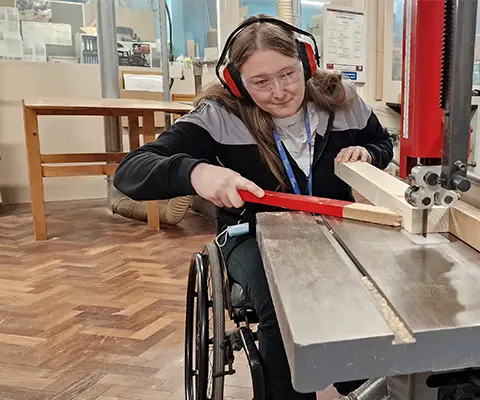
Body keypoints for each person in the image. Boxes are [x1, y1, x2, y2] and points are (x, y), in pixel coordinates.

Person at [113, 15, 394, 400]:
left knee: (374, 294)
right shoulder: (219, 115)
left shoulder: (342, 102)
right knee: (283, 305)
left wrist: (369, 153)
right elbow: (130, 171)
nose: (279, 91)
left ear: (307, 63)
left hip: (334, 230)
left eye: (289, 75)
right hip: (253, 236)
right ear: (236, 82)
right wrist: (196, 172)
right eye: (260, 82)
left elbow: (382, 143)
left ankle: (358, 379)